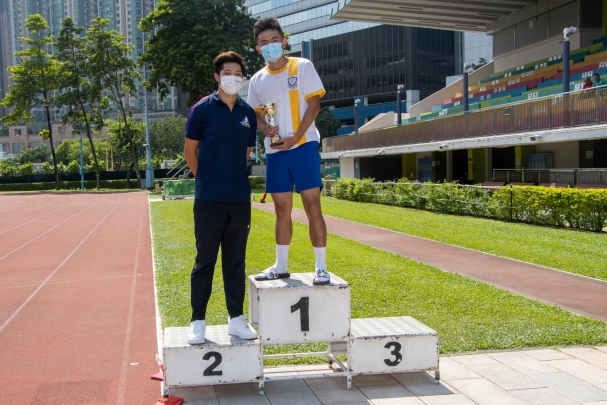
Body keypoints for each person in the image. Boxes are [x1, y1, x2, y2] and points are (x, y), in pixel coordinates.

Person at [247, 17, 330, 286]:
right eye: (264, 43)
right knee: (281, 209)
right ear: (258, 48)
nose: (270, 46)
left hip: (303, 145)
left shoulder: (302, 66)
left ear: (283, 41)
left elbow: (314, 106)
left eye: (274, 40)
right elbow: (256, 115)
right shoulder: (257, 80)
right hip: (275, 151)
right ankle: (281, 266)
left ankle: (321, 268)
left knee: (312, 206)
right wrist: (265, 128)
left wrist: (295, 137)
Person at [184, 51, 258, 345]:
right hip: (209, 200)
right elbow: (190, 152)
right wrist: (207, 180)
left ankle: (236, 319)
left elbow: (245, 153)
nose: (233, 78)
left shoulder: (248, 113)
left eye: (238, 74)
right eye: (227, 73)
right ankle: (197, 321)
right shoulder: (201, 109)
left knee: (235, 261)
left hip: (239, 198)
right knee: (205, 261)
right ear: (217, 76)